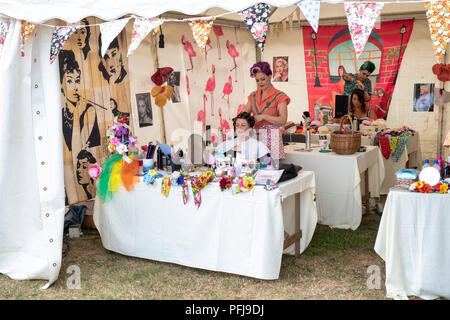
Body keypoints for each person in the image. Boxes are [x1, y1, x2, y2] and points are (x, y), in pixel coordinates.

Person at [244, 61, 290, 167]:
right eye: (257, 80)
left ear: (270, 76)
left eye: (263, 79)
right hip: (255, 136)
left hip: (272, 137)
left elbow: (283, 120)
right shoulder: (253, 96)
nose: (260, 83)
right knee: (253, 170)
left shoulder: (280, 96)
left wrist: (263, 117)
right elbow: (244, 115)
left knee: (270, 171)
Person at [59, 49, 100, 152]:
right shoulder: (61, 113)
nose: (75, 87)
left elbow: (77, 149)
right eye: (69, 81)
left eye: (77, 80)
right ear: (61, 86)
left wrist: (78, 112)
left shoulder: (88, 110)